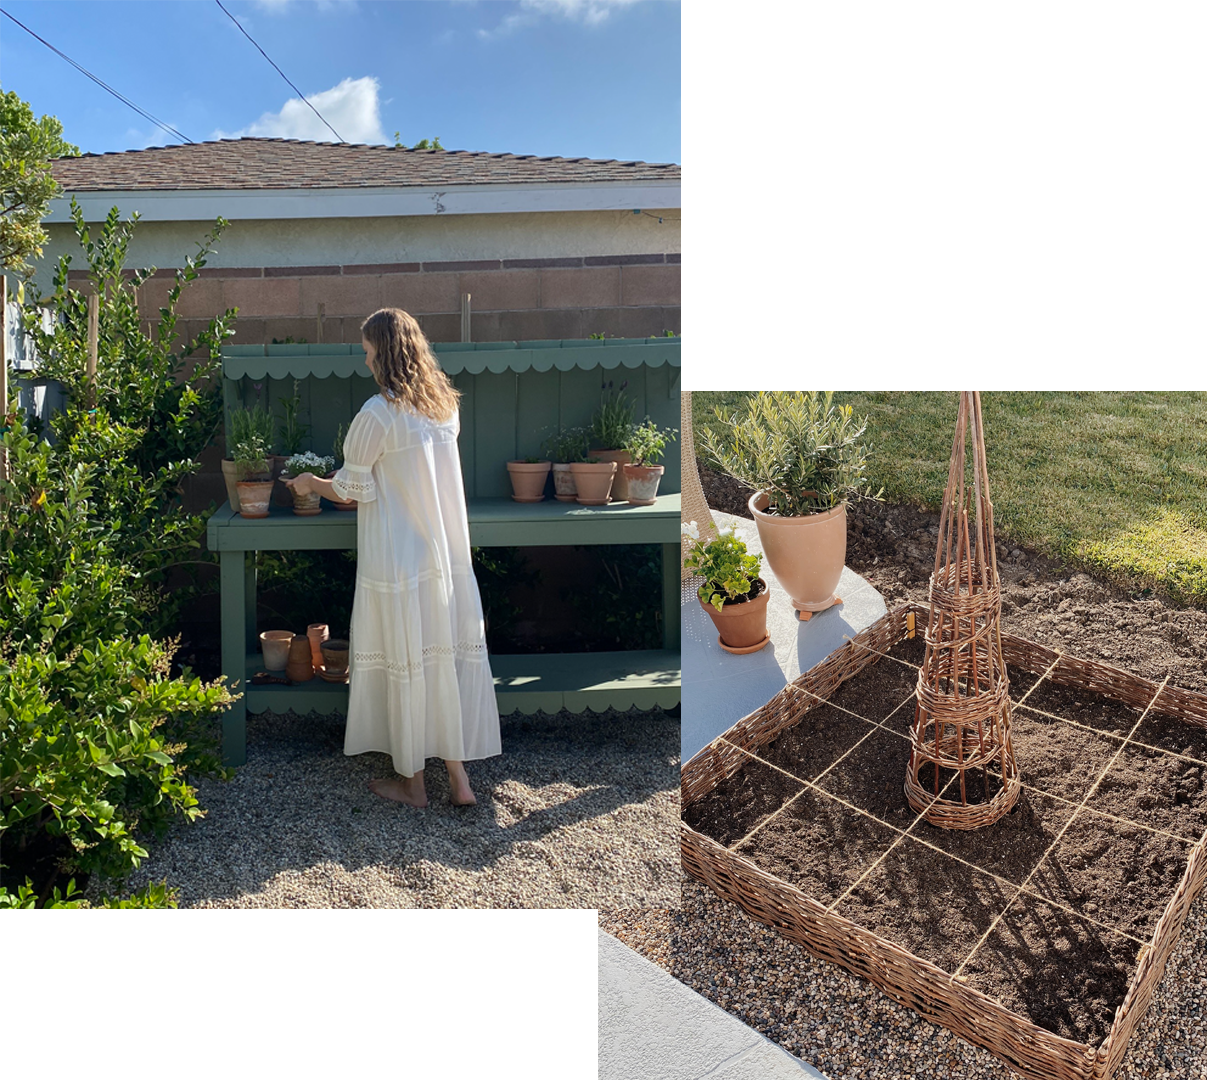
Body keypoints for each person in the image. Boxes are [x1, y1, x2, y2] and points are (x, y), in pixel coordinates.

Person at [283, 308, 501, 808]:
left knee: (408, 663)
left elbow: (349, 489)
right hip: (445, 558)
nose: (365, 361)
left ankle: (414, 786)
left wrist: (307, 482)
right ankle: (461, 782)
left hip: (398, 561)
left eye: (367, 351)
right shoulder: (445, 407)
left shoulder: (378, 412)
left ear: (384, 351)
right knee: (439, 663)